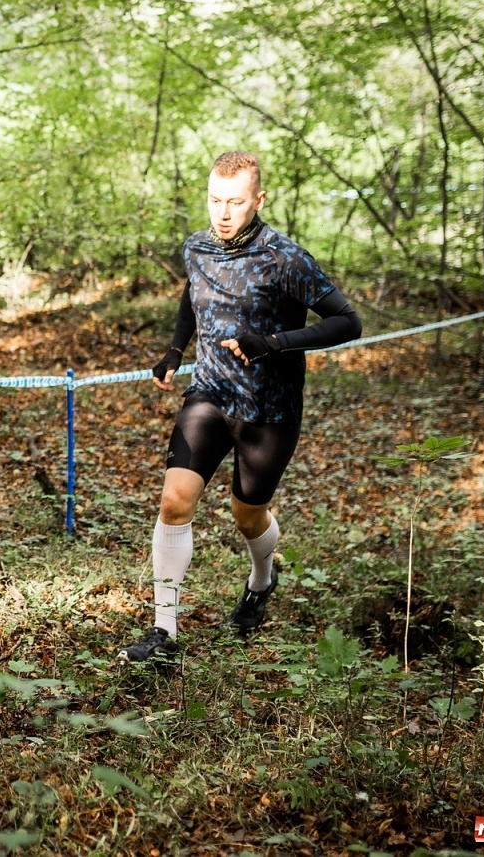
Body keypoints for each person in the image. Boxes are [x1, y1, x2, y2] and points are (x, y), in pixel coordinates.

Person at [122, 151, 362, 665]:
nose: (222, 213)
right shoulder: (197, 247)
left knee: (247, 517)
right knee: (174, 503)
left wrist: (274, 342)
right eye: (214, 201)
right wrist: (175, 349)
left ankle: (261, 579)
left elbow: (347, 322)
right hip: (208, 394)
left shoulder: (286, 259)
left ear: (259, 199)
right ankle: (164, 632)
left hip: (268, 411)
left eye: (234, 202)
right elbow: (193, 292)